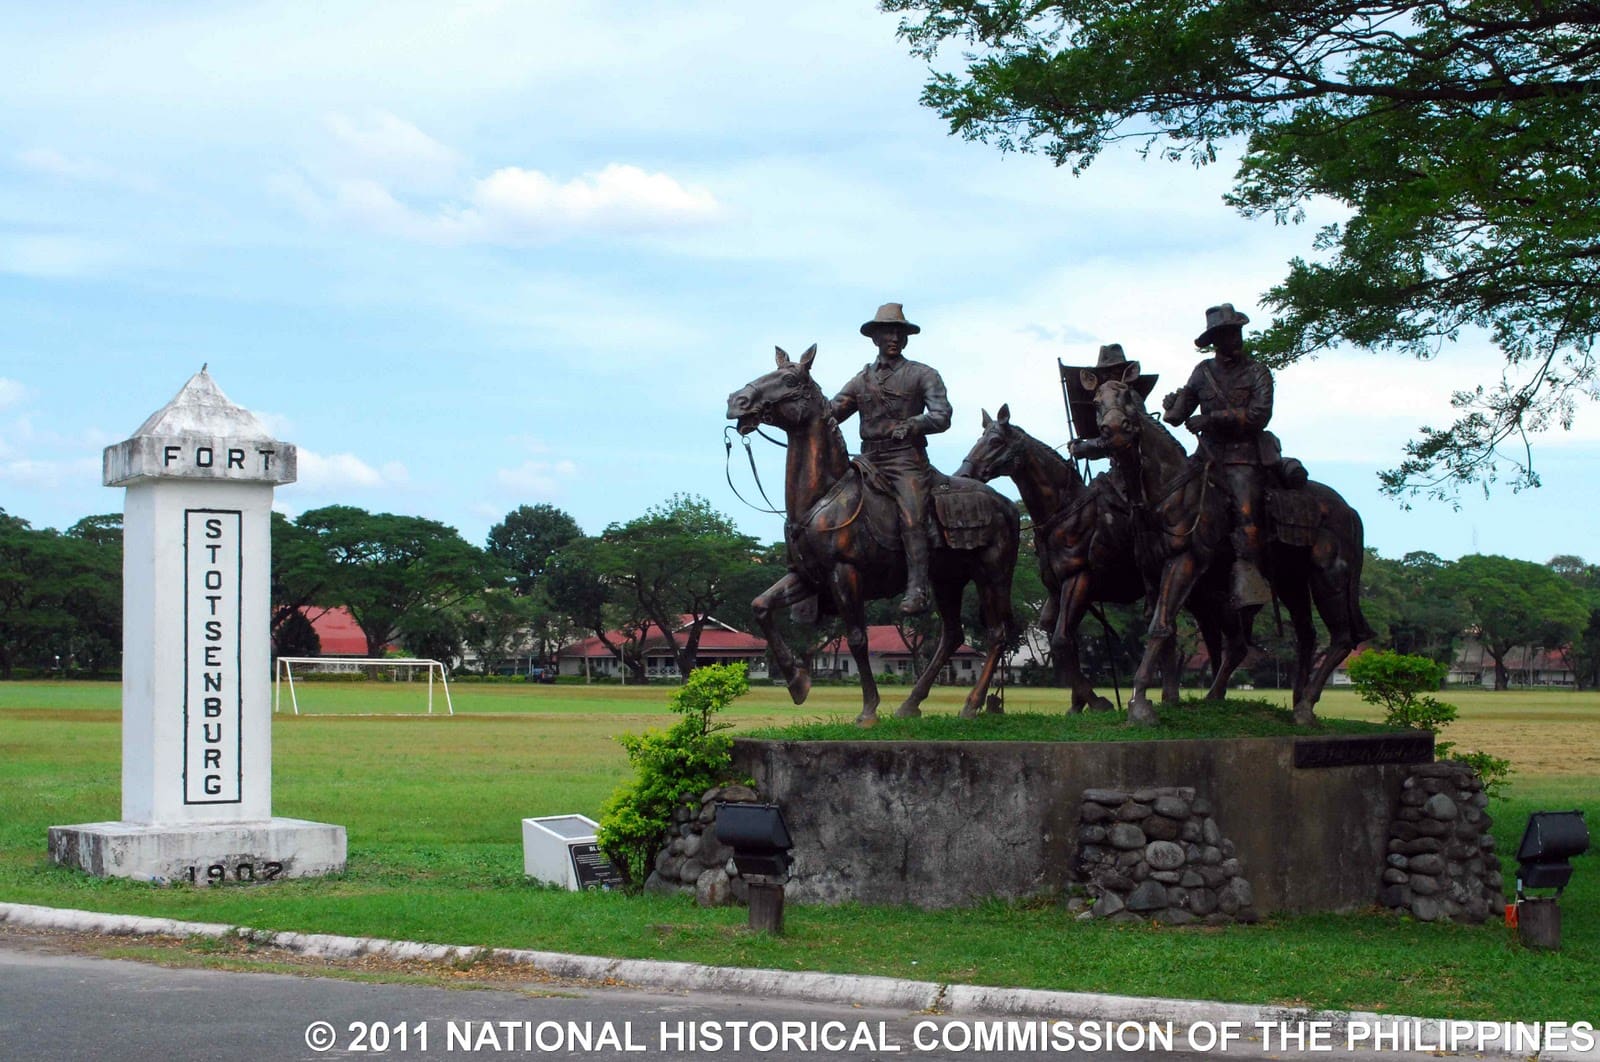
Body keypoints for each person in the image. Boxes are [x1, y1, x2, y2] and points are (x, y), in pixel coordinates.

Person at [830, 303, 952, 614]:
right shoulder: (861, 380)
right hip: (867, 460)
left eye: (899, 332)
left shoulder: (923, 374)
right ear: (875, 338)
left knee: (912, 518)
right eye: (887, 332)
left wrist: (913, 424)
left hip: (905, 461)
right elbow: (831, 413)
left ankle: (918, 588)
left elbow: (942, 416)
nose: (894, 337)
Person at [1161, 304, 1274, 609]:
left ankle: (1249, 580)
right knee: (1167, 499)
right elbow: (1177, 415)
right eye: (1227, 334)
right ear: (1215, 340)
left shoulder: (1257, 372)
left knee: (1246, 515)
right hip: (1205, 458)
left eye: (1236, 332)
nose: (1234, 339)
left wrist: (1212, 419)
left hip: (1242, 459)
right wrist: (1172, 405)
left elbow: (1258, 415)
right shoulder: (1202, 373)